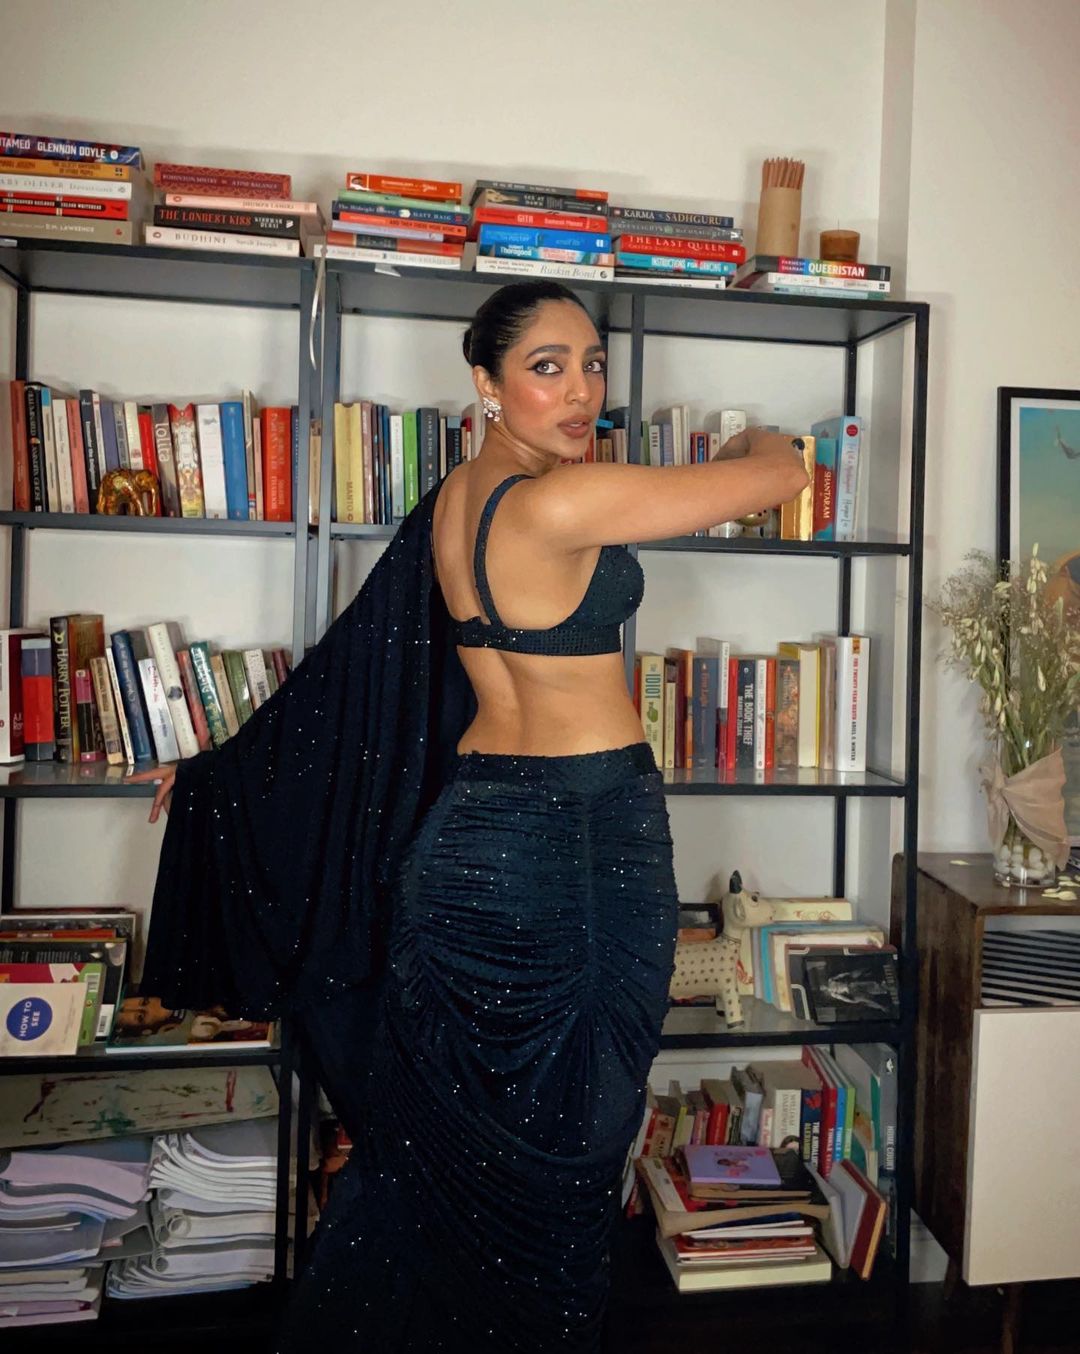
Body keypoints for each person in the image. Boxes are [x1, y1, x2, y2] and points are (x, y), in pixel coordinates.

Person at [130, 280, 807, 1351]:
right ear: (487, 383)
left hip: (475, 843)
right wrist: (760, 437)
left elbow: (355, 666)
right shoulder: (558, 503)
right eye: (548, 367)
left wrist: (227, 774)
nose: (581, 390)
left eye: (592, 364)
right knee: (566, 1151)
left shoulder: (457, 498)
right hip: (576, 852)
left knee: (442, 1150)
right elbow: (780, 475)